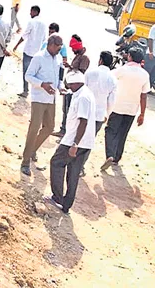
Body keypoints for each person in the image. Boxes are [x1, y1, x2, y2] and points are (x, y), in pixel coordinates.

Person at [48, 70, 96, 214]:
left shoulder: (83, 98)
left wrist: (74, 144)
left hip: (75, 141)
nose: (68, 86)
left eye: (69, 83)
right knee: (73, 173)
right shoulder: (85, 93)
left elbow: (83, 122)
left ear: (75, 83)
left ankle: (57, 198)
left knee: (56, 162)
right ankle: (66, 204)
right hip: (86, 142)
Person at [20, 34, 64, 176]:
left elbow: (59, 76)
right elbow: (28, 76)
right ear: (51, 45)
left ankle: (33, 149)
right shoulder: (39, 57)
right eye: (58, 47)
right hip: (39, 97)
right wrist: (42, 85)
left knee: (50, 127)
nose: (59, 50)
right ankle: (25, 162)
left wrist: (60, 86)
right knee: (34, 127)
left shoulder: (57, 59)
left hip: (51, 98)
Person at [101, 47, 150, 171]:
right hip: (132, 109)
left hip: (117, 106)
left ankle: (110, 155)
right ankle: (117, 158)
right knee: (123, 133)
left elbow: (108, 78)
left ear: (129, 57)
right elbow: (143, 96)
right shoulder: (145, 74)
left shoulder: (122, 70)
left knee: (111, 130)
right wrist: (142, 114)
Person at [83, 51, 117, 176]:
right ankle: (80, 166)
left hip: (84, 110)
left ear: (100, 60)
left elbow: (82, 90)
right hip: (99, 115)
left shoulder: (90, 72)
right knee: (89, 140)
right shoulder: (112, 78)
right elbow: (111, 101)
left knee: (78, 135)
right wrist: (107, 114)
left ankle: (71, 161)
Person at [53, 34, 90, 137]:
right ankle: (63, 130)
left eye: (73, 48)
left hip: (74, 90)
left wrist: (71, 67)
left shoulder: (84, 58)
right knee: (65, 110)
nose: (72, 50)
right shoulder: (78, 56)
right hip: (69, 88)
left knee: (70, 112)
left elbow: (81, 73)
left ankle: (67, 132)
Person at [13, 5, 48, 98]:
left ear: (35, 12)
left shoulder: (31, 22)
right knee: (36, 73)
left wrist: (16, 45)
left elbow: (24, 36)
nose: (30, 13)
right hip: (38, 53)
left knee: (26, 72)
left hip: (29, 51)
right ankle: (35, 92)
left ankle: (25, 90)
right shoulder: (44, 24)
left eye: (31, 11)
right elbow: (44, 39)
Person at [145, 23, 155, 89]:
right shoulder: (154, 28)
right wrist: (151, 52)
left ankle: (148, 87)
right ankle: (144, 87)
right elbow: (150, 40)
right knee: (147, 72)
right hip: (152, 54)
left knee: (153, 74)